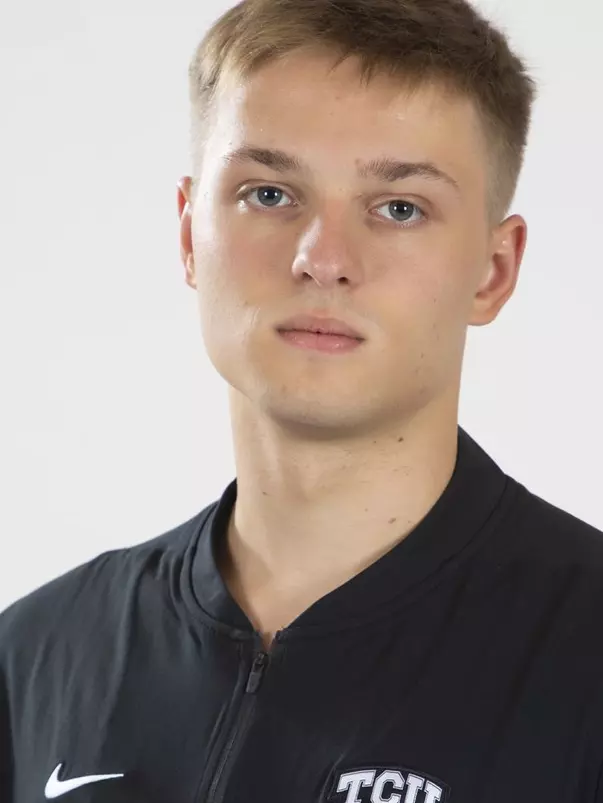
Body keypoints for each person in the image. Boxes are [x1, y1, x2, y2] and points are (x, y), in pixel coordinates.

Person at [2, 0, 603, 800]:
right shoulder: (38, 656)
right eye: (269, 194)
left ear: (492, 270)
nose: (323, 260)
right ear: (189, 235)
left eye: (399, 207)